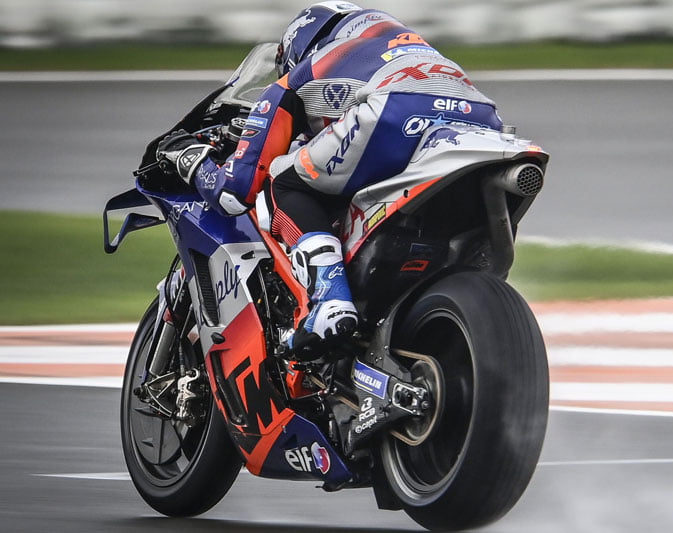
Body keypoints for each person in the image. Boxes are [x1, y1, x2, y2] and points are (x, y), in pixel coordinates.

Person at [158, 2, 503, 356]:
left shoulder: (303, 73)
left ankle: (330, 299)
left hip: (396, 113)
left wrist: (191, 160)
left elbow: (234, 192)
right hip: (485, 122)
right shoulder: (409, 50)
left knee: (283, 179)